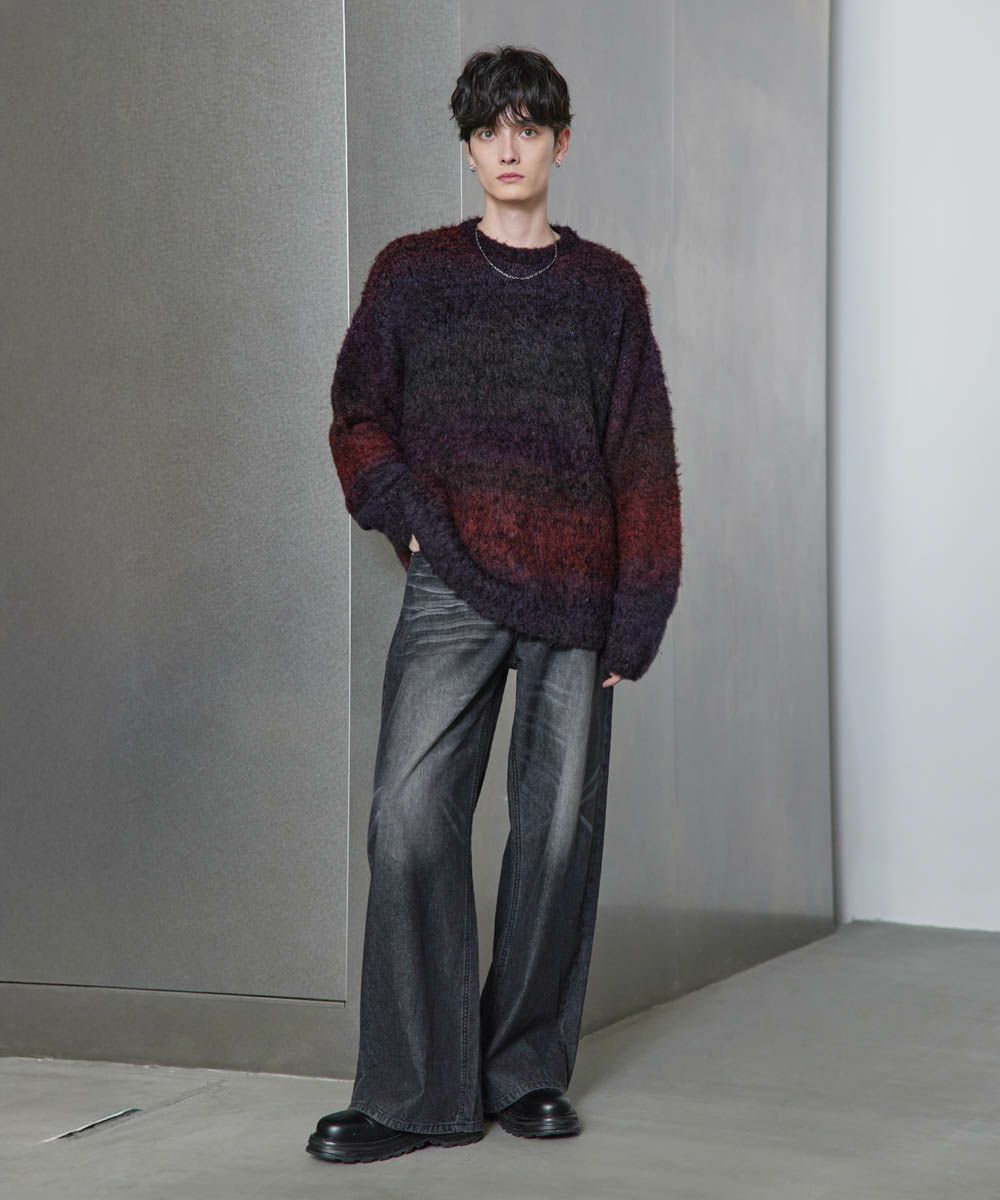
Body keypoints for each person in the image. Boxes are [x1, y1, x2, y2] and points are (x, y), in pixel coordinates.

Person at [306, 45, 682, 1165]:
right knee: (409, 818)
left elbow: (642, 459)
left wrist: (639, 611)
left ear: (562, 141)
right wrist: (407, 517)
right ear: (468, 150)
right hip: (455, 582)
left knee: (556, 838)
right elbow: (357, 413)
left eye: (527, 127)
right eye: (487, 131)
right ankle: (414, 1093)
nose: (508, 148)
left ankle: (521, 1070)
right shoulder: (413, 273)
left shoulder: (606, 289)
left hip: (578, 595)